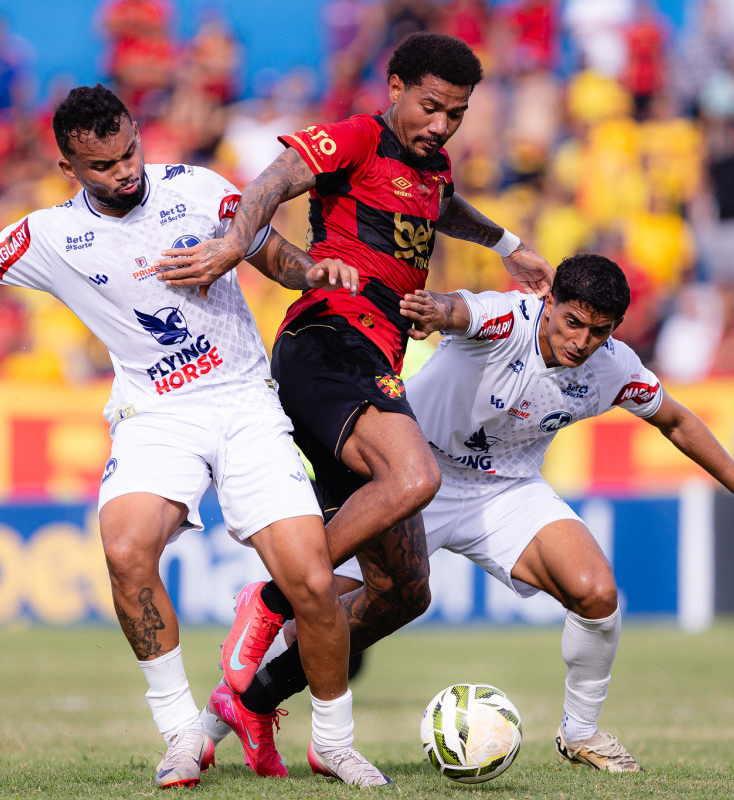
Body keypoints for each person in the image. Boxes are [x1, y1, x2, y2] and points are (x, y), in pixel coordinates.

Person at [0, 84, 391, 789]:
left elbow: (276, 256)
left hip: (242, 401)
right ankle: (182, 734)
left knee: (309, 582)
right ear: (69, 170)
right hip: (156, 413)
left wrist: (314, 273)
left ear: (138, 133)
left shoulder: (199, 188)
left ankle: (333, 741)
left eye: (130, 152)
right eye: (105, 165)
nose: (126, 171)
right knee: (124, 548)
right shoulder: (51, 237)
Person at [208, 253, 734, 772]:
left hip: (506, 490)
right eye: (572, 323)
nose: (582, 342)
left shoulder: (612, 368)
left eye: (600, 332)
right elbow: (462, 310)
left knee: (597, 593)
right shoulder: (506, 320)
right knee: (356, 600)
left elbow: (674, 418)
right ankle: (223, 711)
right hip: (412, 476)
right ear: (548, 304)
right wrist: (437, 311)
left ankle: (581, 733)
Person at [155, 32, 553, 765]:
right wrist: (232, 245)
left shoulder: (431, 164)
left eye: (456, 115)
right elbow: (270, 182)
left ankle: (244, 705)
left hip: (379, 361)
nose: (440, 126)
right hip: (328, 341)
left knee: (404, 591)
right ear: (395, 86)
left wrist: (506, 243)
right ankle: (272, 600)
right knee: (415, 476)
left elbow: (441, 205)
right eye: (431, 107)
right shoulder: (356, 138)